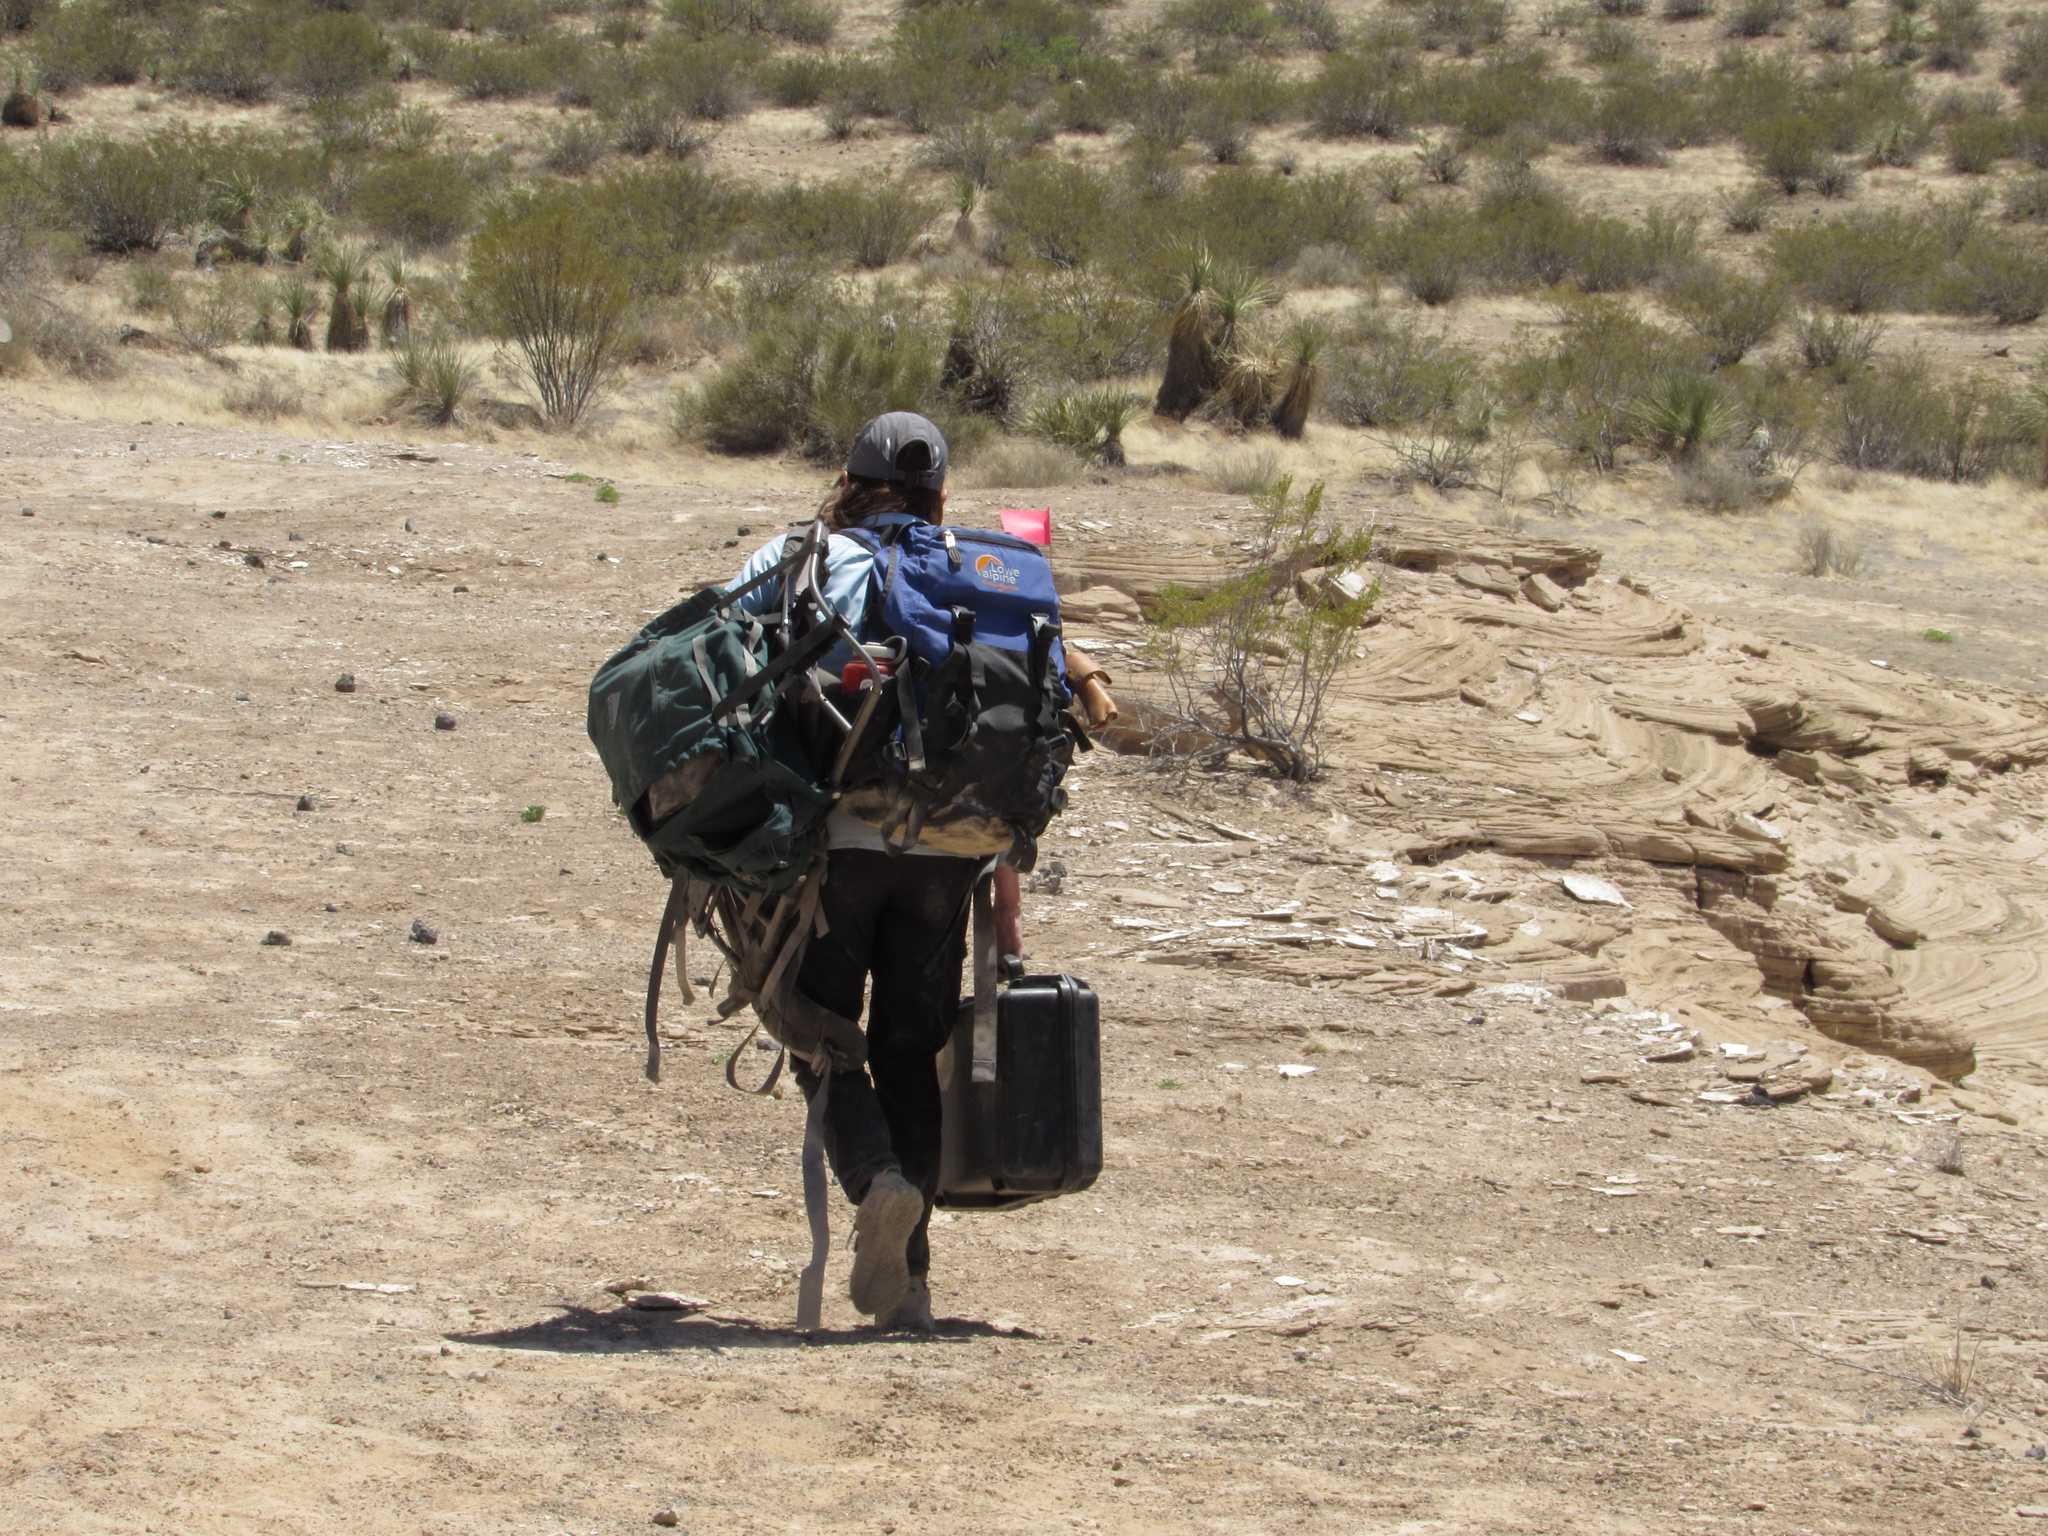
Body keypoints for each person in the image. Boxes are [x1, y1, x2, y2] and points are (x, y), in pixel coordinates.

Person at [723, 412, 1009, 1331]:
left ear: (848, 482)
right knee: (909, 1053)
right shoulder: (985, 570)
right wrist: (1005, 904)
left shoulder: (802, 556)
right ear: (940, 495)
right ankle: (912, 1288)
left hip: (836, 848)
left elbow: (720, 670)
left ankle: (876, 1179)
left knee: (818, 1031)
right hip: (952, 852)